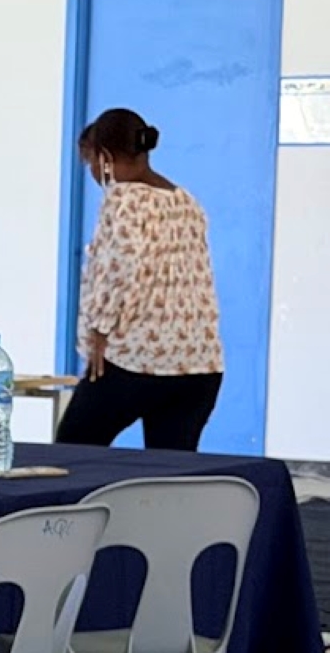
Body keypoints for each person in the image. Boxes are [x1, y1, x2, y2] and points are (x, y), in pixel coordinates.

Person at [55, 109, 224, 452]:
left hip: (135, 360)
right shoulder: (186, 200)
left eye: (89, 162)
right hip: (199, 365)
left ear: (103, 158)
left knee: (73, 452)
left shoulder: (123, 199)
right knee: (169, 475)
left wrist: (99, 330)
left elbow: (121, 269)